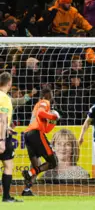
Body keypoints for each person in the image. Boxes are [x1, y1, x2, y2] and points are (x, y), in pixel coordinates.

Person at [21, 87, 60, 196]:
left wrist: (53, 121)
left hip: (28, 135)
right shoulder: (44, 102)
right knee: (53, 162)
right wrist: (53, 115)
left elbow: (46, 130)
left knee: (37, 166)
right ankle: (29, 173)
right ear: (49, 96)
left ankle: (27, 190)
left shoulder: (38, 104)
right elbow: (40, 113)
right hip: (35, 133)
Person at [0, 72, 21, 202]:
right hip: (1, 136)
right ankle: (6, 197)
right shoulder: (5, 98)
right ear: (9, 83)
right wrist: (1, 140)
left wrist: (7, 127)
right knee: (8, 165)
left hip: (3, 131)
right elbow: (2, 118)